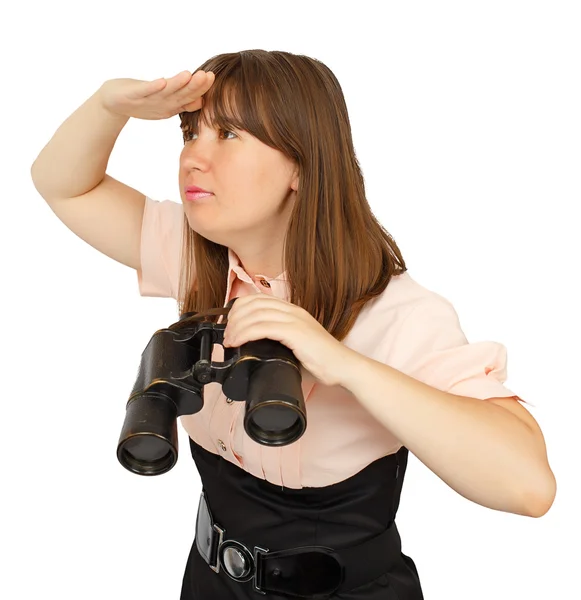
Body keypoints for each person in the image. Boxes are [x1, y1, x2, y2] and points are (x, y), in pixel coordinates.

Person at [31, 50, 555, 599]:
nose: (193, 158)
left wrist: (343, 364)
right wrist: (109, 104)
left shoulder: (395, 315)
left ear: (301, 167)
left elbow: (529, 487)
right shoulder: (197, 255)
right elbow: (65, 184)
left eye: (228, 135)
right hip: (211, 583)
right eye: (191, 132)